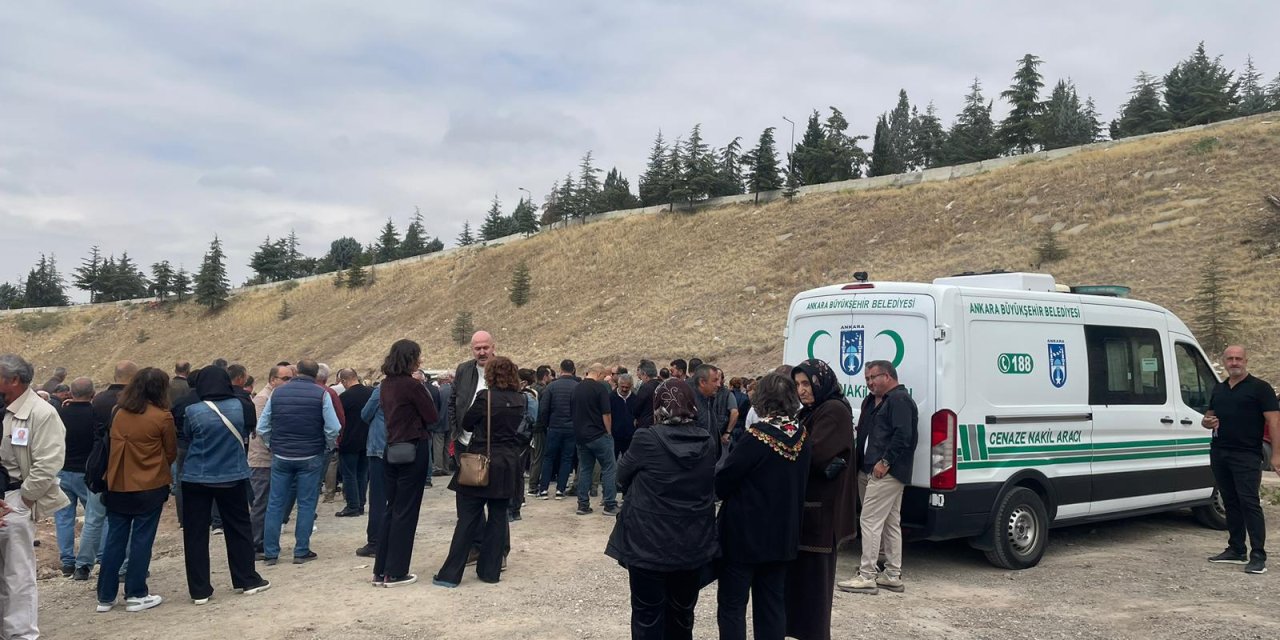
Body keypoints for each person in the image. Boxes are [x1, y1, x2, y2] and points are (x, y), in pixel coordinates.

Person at [605, 378, 717, 639]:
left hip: (648, 541)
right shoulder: (707, 441)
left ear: (658, 406)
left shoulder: (646, 438)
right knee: (682, 614)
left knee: (647, 615)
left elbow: (621, 475)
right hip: (692, 540)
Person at [715, 373, 810, 640]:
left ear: (762, 399)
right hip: (783, 535)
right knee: (772, 604)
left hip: (745, 536)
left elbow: (724, 480)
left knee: (733, 604)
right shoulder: (802, 435)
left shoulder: (756, 437)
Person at [434, 356, 530, 587]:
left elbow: (467, 423)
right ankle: (490, 571)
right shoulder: (520, 399)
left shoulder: (485, 397)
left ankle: (450, 574)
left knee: (468, 518)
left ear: (490, 375)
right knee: (498, 518)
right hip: (507, 462)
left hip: (481, 460)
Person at [179, 367, 271, 604]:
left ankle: (199, 590)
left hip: (196, 476)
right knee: (239, 528)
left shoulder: (192, 411)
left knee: (196, 534)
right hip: (232, 474)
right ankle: (246, 579)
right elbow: (248, 430)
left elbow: (188, 437)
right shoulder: (242, 406)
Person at [784, 359, 856, 640]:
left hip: (821, 512)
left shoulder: (833, 410)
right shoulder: (810, 411)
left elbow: (812, 453)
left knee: (814, 588)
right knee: (799, 585)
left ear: (821, 382)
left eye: (807, 383)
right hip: (807, 509)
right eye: (797, 384)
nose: (801, 390)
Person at [97, 367, 176, 613]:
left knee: (114, 540)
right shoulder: (162, 417)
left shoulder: (118, 412)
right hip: (149, 486)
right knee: (142, 540)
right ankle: (136, 593)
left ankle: (105, 596)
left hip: (117, 484)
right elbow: (170, 453)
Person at [1, 354, 70, 635]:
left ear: (14, 380)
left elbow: (48, 464)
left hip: (15, 499)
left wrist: (24, 499)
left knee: (17, 574)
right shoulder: (5, 408)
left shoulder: (41, 414)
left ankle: (20, 634)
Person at [838, 359, 918, 595]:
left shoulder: (899, 400)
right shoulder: (871, 401)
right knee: (891, 522)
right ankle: (892, 574)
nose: (870, 382)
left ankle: (867, 575)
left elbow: (903, 435)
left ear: (888, 376)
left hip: (886, 472)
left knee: (870, 520)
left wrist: (885, 462)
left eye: (874, 377)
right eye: (867, 379)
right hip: (868, 469)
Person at [1202, 345, 1280, 574]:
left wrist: (1276, 455)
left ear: (1246, 361)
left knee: (1249, 502)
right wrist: (1206, 422)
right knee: (1230, 501)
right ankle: (1236, 549)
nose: (1234, 362)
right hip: (1220, 452)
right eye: (1230, 359)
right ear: (1224, 361)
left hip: (1247, 454)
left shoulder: (1260, 388)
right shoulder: (1219, 388)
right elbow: (1208, 417)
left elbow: (1274, 422)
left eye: (1238, 358)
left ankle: (1258, 556)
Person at [259, 359, 341, 566]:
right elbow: (333, 427)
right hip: (311, 455)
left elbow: (262, 427)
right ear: (316, 375)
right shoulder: (321, 394)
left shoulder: (277, 393)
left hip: (281, 455)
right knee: (306, 504)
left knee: (275, 503)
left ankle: (270, 552)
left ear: (296, 372)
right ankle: (301, 550)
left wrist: (272, 444)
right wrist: (327, 445)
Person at [373, 340, 438, 587]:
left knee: (392, 508)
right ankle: (396, 571)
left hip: (391, 448)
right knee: (407, 511)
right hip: (413, 447)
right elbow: (432, 416)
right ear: (411, 358)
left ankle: (381, 569)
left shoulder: (385, 385)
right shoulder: (412, 385)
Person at [55, 377, 100, 578]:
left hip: (62, 470)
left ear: (71, 393)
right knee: (94, 517)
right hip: (86, 472)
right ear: (92, 394)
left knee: (63, 517)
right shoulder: (94, 414)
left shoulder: (60, 414)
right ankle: (94, 556)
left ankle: (67, 561)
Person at [249, 364, 292, 555]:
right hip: (262, 459)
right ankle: (255, 542)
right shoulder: (262, 399)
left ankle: (264, 540)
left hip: (273, 456)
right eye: (285, 379)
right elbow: (261, 429)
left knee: (271, 502)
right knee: (261, 502)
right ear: (273, 380)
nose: (289, 382)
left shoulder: (276, 396)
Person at [572, 363, 618, 516]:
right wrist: (609, 432)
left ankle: (582, 504)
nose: (603, 378)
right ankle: (610, 504)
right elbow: (606, 413)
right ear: (598, 374)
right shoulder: (600, 388)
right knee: (609, 468)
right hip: (599, 435)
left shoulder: (577, 388)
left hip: (581, 436)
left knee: (585, 469)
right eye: (603, 376)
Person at [536, 360, 579, 499]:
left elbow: (543, 409)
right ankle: (560, 489)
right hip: (571, 428)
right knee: (566, 459)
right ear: (573, 370)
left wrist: (546, 424)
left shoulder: (552, 386)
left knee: (549, 457)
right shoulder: (577, 387)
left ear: (560, 369)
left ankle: (543, 489)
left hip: (554, 427)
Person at [336, 369, 373, 517]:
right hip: (367, 439)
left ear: (344, 381)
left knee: (349, 474)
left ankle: (352, 505)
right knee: (362, 473)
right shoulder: (371, 393)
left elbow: (338, 419)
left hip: (349, 440)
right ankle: (361, 504)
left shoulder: (344, 397)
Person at [449, 331, 496, 446]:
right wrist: (455, 430)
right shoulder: (463, 370)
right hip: (463, 442)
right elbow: (452, 402)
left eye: (485, 348)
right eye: (477, 348)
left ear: (493, 347)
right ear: (472, 349)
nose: (482, 352)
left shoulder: (505, 369)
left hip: (494, 444)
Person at [357, 383, 388, 558]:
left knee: (378, 499)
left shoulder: (382, 389)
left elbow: (365, 414)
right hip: (404, 448)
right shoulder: (415, 387)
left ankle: (375, 542)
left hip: (380, 447)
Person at [431, 373, 454, 478]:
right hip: (451, 422)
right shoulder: (453, 390)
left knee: (438, 446)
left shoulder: (439, 391)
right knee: (447, 446)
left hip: (439, 423)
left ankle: (438, 468)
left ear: (440, 380)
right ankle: (446, 468)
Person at [629, 360, 661, 430]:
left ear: (645, 374)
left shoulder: (645, 388)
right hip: (660, 425)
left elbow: (636, 408)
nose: (641, 379)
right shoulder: (662, 385)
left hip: (647, 426)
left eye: (641, 376)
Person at [612, 374, 636, 459]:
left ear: (631, 386)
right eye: (622, 387)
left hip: (630, 437)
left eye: (627, 387)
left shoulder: (635, 398)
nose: (624, 389)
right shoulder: (611, 397)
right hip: (615, 437)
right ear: (618, 384)